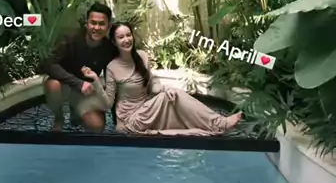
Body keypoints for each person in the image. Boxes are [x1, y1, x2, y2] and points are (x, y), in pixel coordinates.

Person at [81, 22, 243, 136]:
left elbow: (152, 87)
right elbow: (108, 104)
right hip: (132, 120)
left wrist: (167, 89)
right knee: (173, 97)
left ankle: (216, 124)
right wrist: (95, 80)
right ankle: (220, 123)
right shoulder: (112, 67)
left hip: (146, 110)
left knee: (174, 95)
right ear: (114, 42)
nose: (126, 39)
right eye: (121, 37)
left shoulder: (142, 56)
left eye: (128, 35)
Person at [42, 3, 117, 132]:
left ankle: (76, 112)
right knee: (53, 85)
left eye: (101, 24)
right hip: (64, 84)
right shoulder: (70, 38)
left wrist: (118, 120)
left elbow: (112, 82)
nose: (97, 27)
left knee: (97, 126)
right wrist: (78, 83)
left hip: (84, 92)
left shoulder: (108, 49)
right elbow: (48, 64)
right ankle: (59, 117)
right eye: (93, 23)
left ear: (108, 27)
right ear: (87, 23)